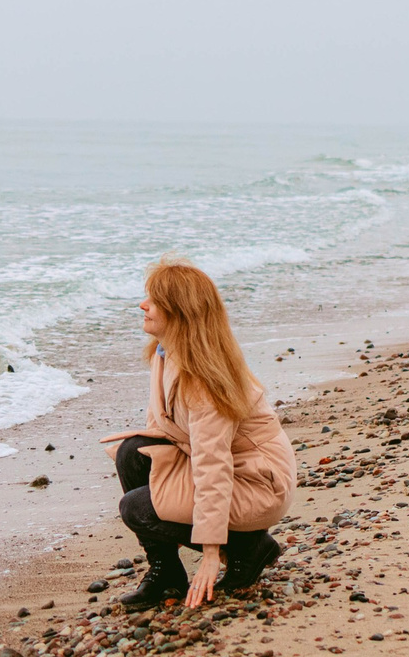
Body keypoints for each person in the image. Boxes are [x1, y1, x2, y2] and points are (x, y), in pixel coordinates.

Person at [100, 259, 298, 609]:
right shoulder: (165, 353)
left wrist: (210, 552)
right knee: (133, 452)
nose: (142, 306)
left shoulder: (204, 381)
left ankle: (246, 550)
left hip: (256, 482)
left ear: (180, 313)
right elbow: (159, 429)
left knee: (137, 508)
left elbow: (213, 465)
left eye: (154, 300)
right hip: (228, 471)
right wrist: (132, 455)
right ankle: (166, 575)